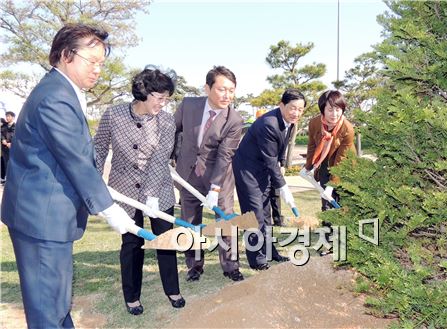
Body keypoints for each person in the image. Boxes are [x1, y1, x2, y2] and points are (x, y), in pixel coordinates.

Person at [0, 24, 135, 328]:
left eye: (101, 63)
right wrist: (110, 210)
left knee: (56, 304)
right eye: (92, 61)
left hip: (46, 217)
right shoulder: (55, 97)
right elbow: (75, 160)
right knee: (48, 310)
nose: (98, 70)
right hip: (40, 220)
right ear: (65, 55)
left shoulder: (63, 91)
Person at [94, 66, 185, 315]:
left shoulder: (166, 121)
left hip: (159, 189)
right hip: (124, 190)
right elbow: (99, 147)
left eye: (167, 98)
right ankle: (132, 295)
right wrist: (95, 180)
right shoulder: (114, 115)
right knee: (132, 243)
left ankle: (172, 289)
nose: (163, 103)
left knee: (164, 241)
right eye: (160, 97)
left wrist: (152, 195)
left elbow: (159, 159)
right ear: (144, 91)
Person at [173, 66, 245, 282]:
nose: (227, 96)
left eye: (231, 91)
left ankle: (231, 265)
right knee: (190, 220)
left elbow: (225, 156)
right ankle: (194, 265)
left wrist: (215, 188)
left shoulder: (234, 119)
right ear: (207, 88)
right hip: (188, 175)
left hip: (219, 178)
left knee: (225, 220)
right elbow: (172, 130)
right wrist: (171, 157)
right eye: (222, 89)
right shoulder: (188, 105)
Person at [232, 88, 306, 270]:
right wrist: (284, 187)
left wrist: (282, 164)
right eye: (292, 108)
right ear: (281, 105)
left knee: (265, 214)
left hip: (263, 169)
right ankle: (257, 260)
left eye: (300, 109)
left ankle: (269, 251)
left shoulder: (289, 122)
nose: (296, 113)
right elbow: (271, 160)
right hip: (247, 171)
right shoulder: (269, 123)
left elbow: (279, 152)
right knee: (254, 215)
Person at [302, 90, 356, 211]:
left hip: (345, 165)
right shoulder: (314, 123)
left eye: (338, 110)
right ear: (323, 110)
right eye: (330, 110)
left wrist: (332, 185)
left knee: (341, 199)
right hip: (325, 161)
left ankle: (341, 227)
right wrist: (308, 167)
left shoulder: (347, 129)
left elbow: (341, 160)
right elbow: (312, 146)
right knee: (326, 200)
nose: (334, 114)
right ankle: (327, 228)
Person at [1, 111, 16, 183]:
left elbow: (18, 136)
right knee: (5, 162)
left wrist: (12, 143)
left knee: (13, 163)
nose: (7, 117)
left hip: (13, 148)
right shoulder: (4, 126)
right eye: (6, 116)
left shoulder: (16, 126)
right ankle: (7, 179)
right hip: (4, 148)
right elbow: (1, 134)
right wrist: (3, 139)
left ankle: (13, 179)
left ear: (13, 117)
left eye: (9, 116)